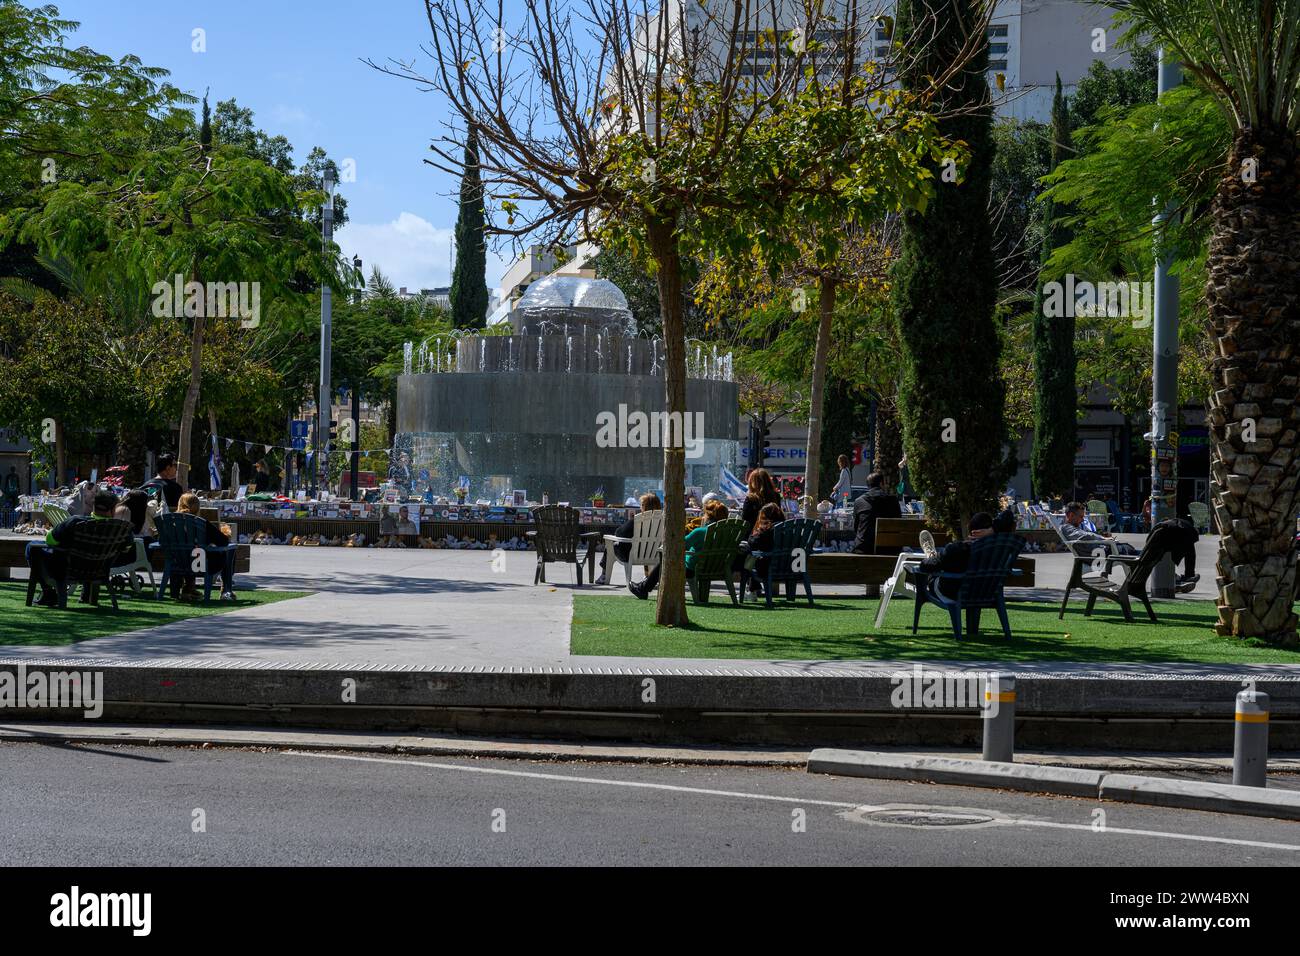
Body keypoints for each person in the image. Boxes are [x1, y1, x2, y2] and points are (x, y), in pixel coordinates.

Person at [1062, 501, 1199, 592]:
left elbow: (1087, 535)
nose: (1082, 519)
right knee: (1152, 552)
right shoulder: (1067, 528)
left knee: (1155, 551)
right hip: (1106, 553)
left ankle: (1176, 579)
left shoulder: (1076, 526)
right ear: (1070, 515)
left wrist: (1102, 536)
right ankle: (1175, 581)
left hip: (1112, 549)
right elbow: (1084, 537)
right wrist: (1103, 538)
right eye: (1080, 516)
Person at [26, 490, 118, 607]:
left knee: (31, 546)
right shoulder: (120, 529)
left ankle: (48, 592)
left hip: (66, 569)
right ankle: (86, 594)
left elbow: (50, 540)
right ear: (112, 510)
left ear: (93, 506)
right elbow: (126, 547)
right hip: (99, 570)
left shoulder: (75, 522)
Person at [630, 499, 728, 599]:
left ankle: (643, 588)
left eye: (704, 514)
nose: (702, 516)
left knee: (665, 561)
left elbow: (679, 546)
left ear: (708, 516)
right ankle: (644, 587)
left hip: (692, 569)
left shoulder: (700, 532)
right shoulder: (728, 533)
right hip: (717, 568)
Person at [177, 492, 237, 601]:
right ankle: (226, 590)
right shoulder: (201, 523)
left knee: (189, 554)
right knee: (230, 550)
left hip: (177, 562)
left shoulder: (171, 522)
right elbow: (223, 542)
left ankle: (188, 588)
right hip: (201, 564)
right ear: (197, 507)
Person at [596, 493, 662, 587]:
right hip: (653, 554)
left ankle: (604, 575)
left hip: (632, 555)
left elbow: (619, 533)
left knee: (610, 544)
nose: (640, 507)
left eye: (641, 504)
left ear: (644, 506)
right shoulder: (662, 521)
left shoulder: (638, 520)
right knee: (646, 544)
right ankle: (648, 575)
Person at [851, 471, 903, 554]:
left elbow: (856, 528)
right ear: (881, 483)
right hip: (890, 549)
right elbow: (899, 524)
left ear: (868, 486)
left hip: (864, 549)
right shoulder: (893, 500)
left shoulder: (859, 501)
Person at [739, 501, 786, 589]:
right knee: (753, 555)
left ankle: (752, 589)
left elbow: (753, 542)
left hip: (766, 567)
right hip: (787, 567)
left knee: (747, 554)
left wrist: (754, 534)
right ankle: (753, 588)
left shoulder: (768, 530)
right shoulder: (787, 529)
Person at [740, 468, 782, 532]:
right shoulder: (776, 496)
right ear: (768, 481)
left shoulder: (751, 499)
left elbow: (744, 521)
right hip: (773, 535)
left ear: (752, 483)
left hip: (755, 535)